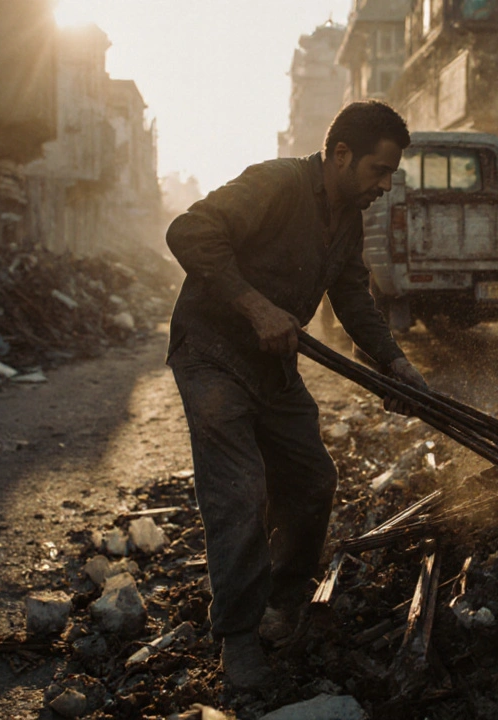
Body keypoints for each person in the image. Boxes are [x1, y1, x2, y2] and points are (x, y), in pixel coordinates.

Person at [164, 101, 426, 688]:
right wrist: (255, 306)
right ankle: (237, 637)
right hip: (212, 354)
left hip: (271, 364)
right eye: (377, 172)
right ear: (339, 155)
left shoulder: (348, 215)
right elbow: (188, 231)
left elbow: (352, 295)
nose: (384, 188)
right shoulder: (276, 183)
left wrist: (394, 363)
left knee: (311, 479)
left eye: (390, 176)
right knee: (240, 490)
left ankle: (284, 601)